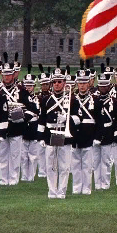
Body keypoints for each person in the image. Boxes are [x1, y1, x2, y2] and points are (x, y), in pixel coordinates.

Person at [42, 69, 72, 199]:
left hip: (64, 136)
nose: (57, 84)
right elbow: (41, 119)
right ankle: (52, 191)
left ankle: (61, 191)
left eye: (59, 82)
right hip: (50, 135)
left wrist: (67, 119)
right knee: (50, 166)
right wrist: (41, 137)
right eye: (54, 82)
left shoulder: (71, 98)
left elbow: (77, 118)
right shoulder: (46, 99)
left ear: (64, 83)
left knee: (64, 166)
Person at [69, 70, 98, 195]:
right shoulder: (71, 99)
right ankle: (76, 188)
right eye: (80, 83)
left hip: (88, 136)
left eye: (84, 83)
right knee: (75, 165)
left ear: (89, 83)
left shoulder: (95, 100)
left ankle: (86, 189)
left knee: (87, 165)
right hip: (75, 136)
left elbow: (99, 121)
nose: (82, 85)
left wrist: (97, 137)